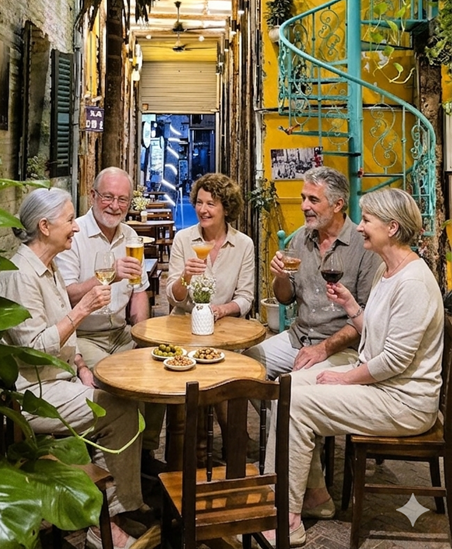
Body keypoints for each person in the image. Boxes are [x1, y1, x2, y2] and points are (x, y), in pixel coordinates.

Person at [262, 187, 444, 548]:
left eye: (369, 221)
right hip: (382, 387)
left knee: (297, 405)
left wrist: (344, 377)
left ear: (392, 228)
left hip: (404, 401)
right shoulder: (389, 271)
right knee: (286, 388)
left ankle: (287, 519)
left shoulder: (413, 283)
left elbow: (394, 360)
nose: (360, 228)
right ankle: (311, 495)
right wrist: (352, 307)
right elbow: (375, 334)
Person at [0, 188, 144, 549]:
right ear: (44, 226)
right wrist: (84, 309)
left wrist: (79, 366)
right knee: (120, 408)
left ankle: (106, 510)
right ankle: (107, 521)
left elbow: (60, 334)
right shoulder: (19, 275)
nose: (74, 228)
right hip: (32, 394)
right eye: (68, 221)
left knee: (119, 399)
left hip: (58, 380)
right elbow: (32, 348)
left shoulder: (46, 267)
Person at [55, 166, 164, 478]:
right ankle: (112, 467)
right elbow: (64, 296)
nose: (115, 206)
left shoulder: (130, 236)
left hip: (120, 332)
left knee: (159, 369)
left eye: (123, 200)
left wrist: (143, 336)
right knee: (121, 381)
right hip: (82, 336)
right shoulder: (73, 235)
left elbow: (140, 290)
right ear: (92, 196)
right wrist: (108, 275)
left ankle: (144, 452)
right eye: (108, 197)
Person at [247, 166, 381, 377]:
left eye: (313, 200)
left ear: (337, 204)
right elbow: (285, 298)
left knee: (291, 386)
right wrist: (280, 276)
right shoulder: (301, 238)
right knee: (246, 366)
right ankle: (271, 410)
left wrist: (323, 348)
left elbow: (366, 317)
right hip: (298, 337)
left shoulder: (363, 246)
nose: (303, 206)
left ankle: (278, 408)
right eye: (303, 198)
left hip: (342, 348)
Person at [166, 172, 254, 319]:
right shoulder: (183, 239)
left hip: (225, 325)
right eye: (199, 202)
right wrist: (185, 276)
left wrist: (222, 310)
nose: (202, 210)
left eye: (210, 204)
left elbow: (245, 297)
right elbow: (173, 298)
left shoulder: (243, 244)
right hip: (185, 322)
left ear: (226, 209)